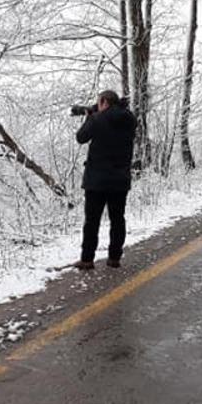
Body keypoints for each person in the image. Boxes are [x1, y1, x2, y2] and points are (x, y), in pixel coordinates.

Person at [74, 89, 137, 270]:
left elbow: (81, 137)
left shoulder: (97, 119)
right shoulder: (130, 120)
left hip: (97, 181)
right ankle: (114, 258)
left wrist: (90, 117)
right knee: (118, 219)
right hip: (120, 179)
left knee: (92, 221)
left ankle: (87, 259)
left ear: (104, 102)